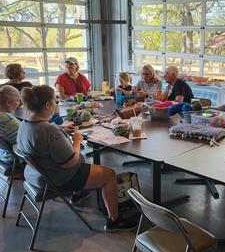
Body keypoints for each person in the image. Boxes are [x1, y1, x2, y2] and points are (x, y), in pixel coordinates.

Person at [16, 85, 136, 232]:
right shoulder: (49, 131)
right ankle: (114, 220)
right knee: (109, 174)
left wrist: (60, 131)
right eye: (54, 101)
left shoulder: (26, 124)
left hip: (35, 175)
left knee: (92, 167)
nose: (55, 104)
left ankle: (79, 193)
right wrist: (77, 141)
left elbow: (43, 141)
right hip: (57, 178)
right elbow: (71, 162)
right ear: (48, 104)